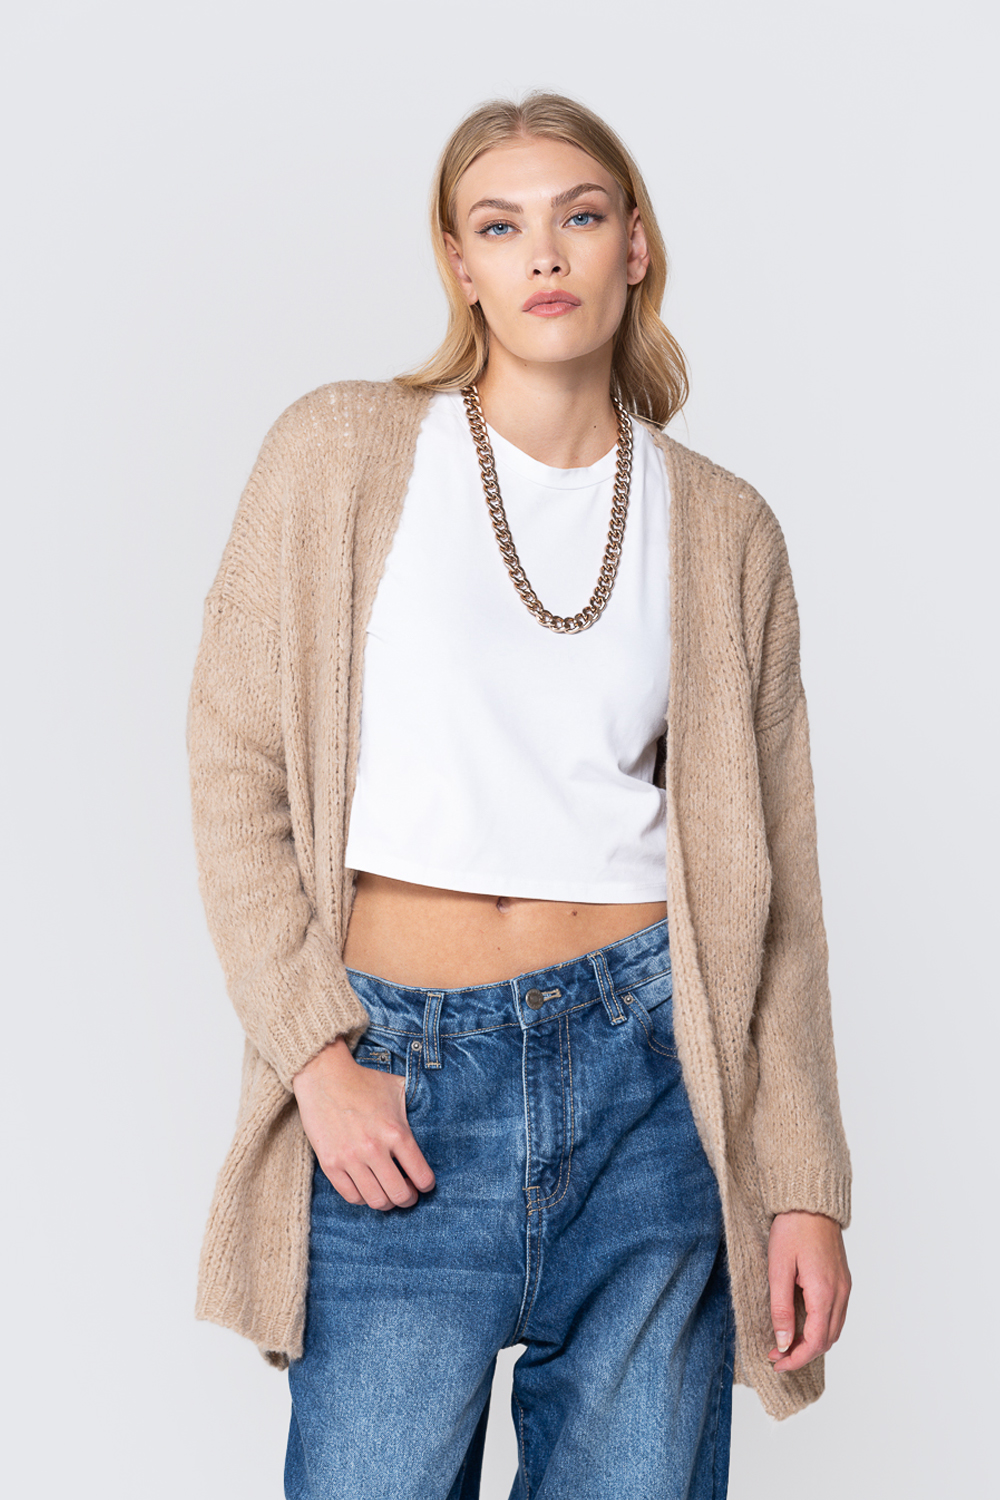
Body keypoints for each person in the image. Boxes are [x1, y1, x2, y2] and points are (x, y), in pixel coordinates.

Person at [188, 91, 852, 1500]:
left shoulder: (725, 527)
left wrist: (803, 1184)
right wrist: (316, 1058)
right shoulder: (340, 453)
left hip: (649, 1086)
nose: (543, 252)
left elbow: (779, 893)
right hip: (400, 1079)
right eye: (501, 225)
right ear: (459, 262)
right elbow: (235, 767)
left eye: (579, 216)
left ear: (635, 248)